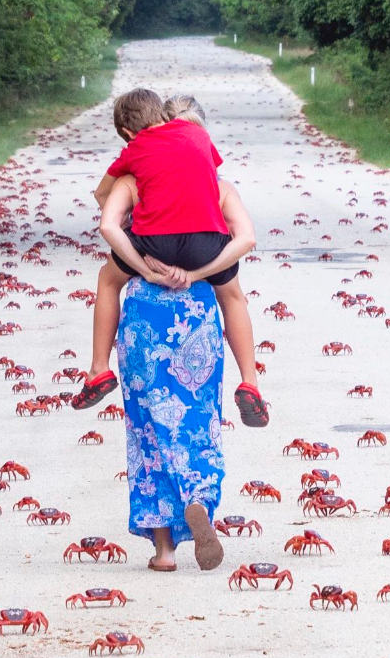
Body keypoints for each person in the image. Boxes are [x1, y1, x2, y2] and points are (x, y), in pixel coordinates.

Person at [71, 89, 268, 428]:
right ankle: (250, 380)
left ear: (130, 133)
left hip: (154, 246)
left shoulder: (134, 156)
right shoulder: (201, 143)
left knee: (107, 280)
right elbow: (214, 186)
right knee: (233, 297)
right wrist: (199, 271)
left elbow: (104, 199)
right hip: (205, 245)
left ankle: (98, 368)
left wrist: (143, 264)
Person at [107, 175, 227, 572]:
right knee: (200, 421)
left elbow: (108, 233)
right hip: (198, 314)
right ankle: (198, 497)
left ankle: (165, 552)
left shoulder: (139, 188)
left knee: (149, 431)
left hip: (145, 311)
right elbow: (245, 242)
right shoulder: (216, 188)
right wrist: (197, 273)